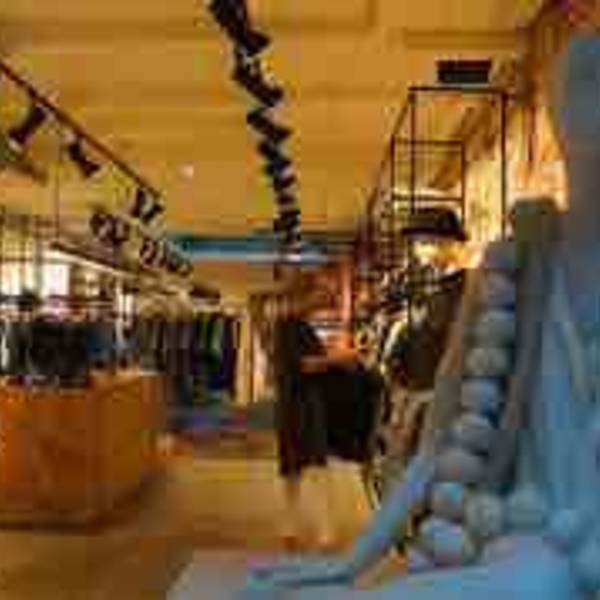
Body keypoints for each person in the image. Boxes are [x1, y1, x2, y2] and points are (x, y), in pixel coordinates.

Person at [272, 272, 358, 549]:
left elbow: (305, 363)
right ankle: (324, 532)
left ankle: (291, 529)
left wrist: (331, 358)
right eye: (321, 292)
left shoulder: (293, 324)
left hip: (295, 403)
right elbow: (305, 365)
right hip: (301, 404)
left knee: (294, 469)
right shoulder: (290, 325)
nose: (325, 297)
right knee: (313, 467)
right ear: (305, 294)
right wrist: (338, 358)